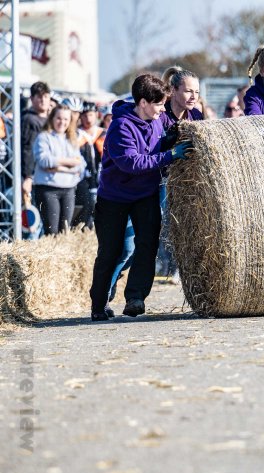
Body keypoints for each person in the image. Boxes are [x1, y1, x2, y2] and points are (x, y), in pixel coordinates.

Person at [88, 74, 191, 321]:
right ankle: (99, 304)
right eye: (158, 105)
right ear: (143, 102)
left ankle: (135, 297)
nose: (161, 109)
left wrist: (169, 141)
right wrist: (169, 155)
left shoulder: (156, 121)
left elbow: (155, 145)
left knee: (147, 245)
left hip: (145, 194)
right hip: (114, 198)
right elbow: (132, 162)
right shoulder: (120, 127)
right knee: (110, 251)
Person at [158, 66, 204, 283]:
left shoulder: (196, 115)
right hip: (161, 180)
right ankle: (165, 264)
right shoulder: (160, 114)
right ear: (173, 91)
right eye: (188, 91)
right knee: (166, 224)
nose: (193, 96)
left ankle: (182, 267)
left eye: (196, 91)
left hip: (187, 180)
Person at [32, 104, 85, 235]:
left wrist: (57, 167)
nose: (62, 122)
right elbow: (44, 161)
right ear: (52, 118)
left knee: (65, 232)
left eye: (66, 119)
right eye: (59, 118)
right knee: (52, 232)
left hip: (69, 189)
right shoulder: (43, 137)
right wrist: (70, 163)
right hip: (48, 189)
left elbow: (81, 165)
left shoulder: (72, 139)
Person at [73, 101, 104, 230]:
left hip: (102, 178)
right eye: (85, 115)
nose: (88, 119)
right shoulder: (76, 134)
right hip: (83, 180)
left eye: (91, 115)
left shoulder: (104, 133)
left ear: (96, 115)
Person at [21, 82, 52, 206]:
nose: (43, 100)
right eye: (39, 97)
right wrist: (28, 176)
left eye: (45, 96)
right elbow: (27, 149)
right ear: (32, 99)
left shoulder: (52, 118)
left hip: (51, 174)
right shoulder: (29, 119)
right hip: (35, 175)